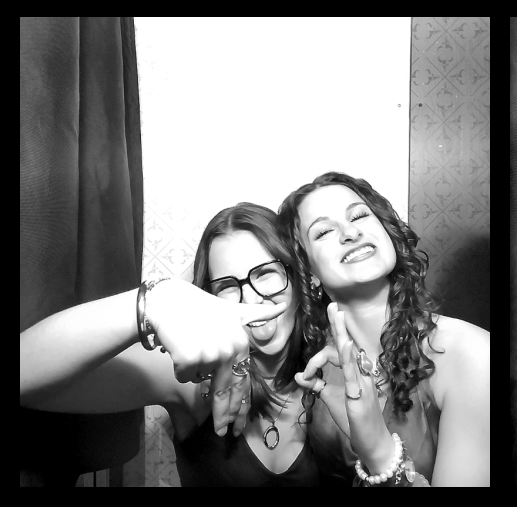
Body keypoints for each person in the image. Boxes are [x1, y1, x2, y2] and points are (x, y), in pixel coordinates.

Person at [19, 203, 349, 486]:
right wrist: (154, 302)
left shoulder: (338, 368)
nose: (250, 299)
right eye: (227, 285)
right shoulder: (193, 379)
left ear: (299, 279)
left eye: (265, 273)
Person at [276, 171, 490, 486]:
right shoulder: (312, 362)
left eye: (359, 216)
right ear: (309, 273)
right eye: (323, 231)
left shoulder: (469, 353)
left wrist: (379, 452)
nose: (350, 232)